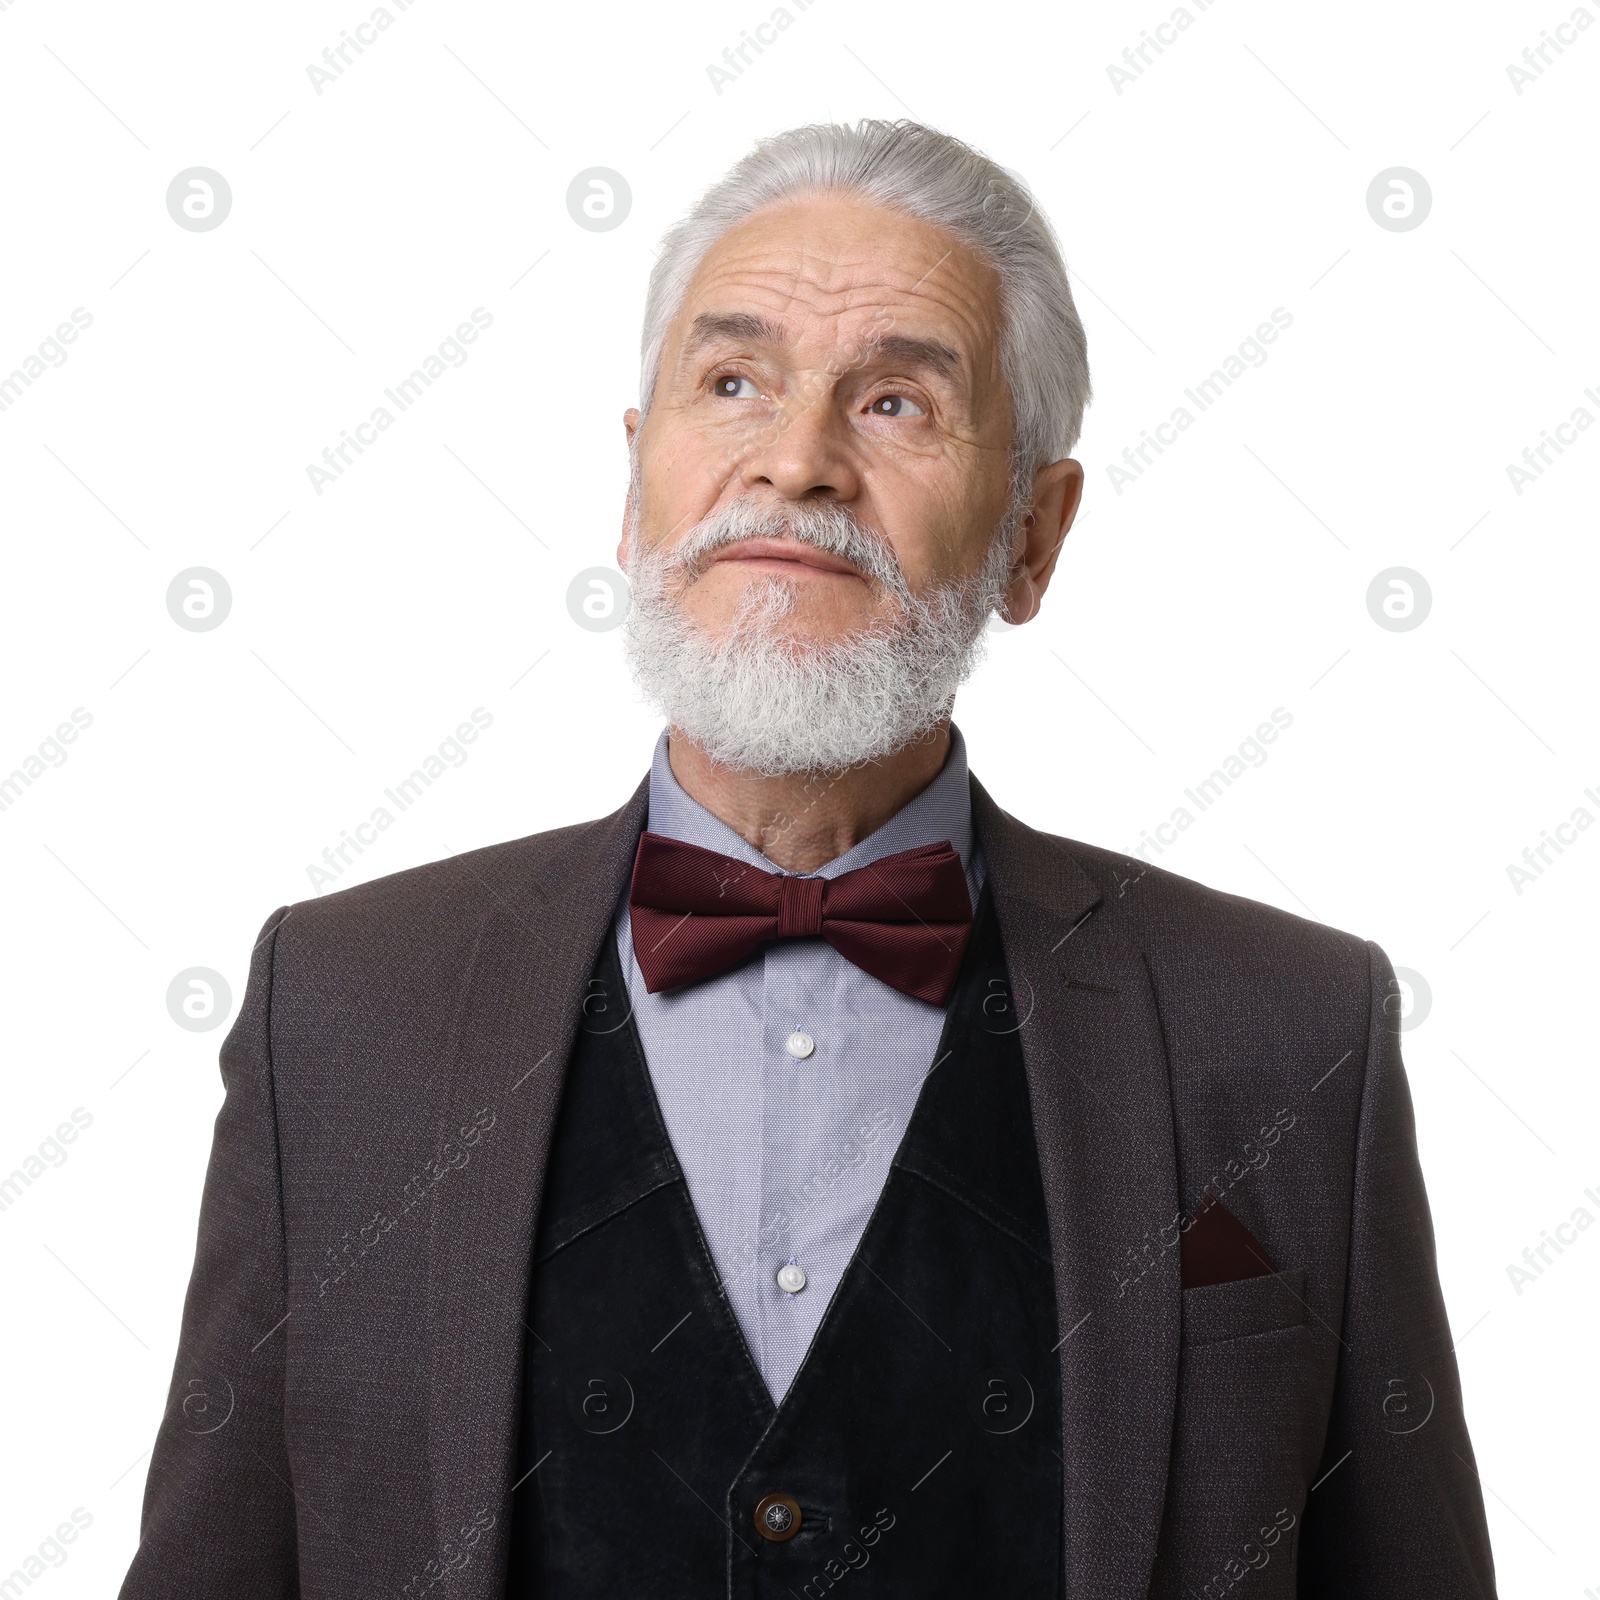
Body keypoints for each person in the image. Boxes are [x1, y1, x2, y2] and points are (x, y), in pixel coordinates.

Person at [121, 119, 1497, 1599]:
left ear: (1034, 534)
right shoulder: (339, 1010)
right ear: (637, 476)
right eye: (733, 383)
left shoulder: (1291, 1032)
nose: (796, 463)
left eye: (897, 402)